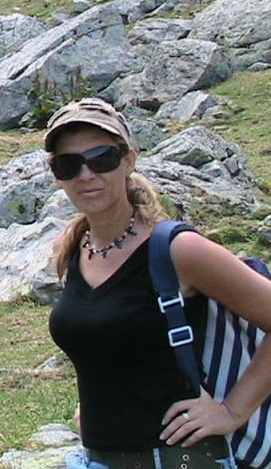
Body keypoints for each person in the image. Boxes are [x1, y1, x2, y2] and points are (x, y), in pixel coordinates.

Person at [45, 97, 271, 469]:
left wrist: (232, 412)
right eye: (69, 164)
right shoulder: (75, 248)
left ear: (129, 160)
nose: (86, 174)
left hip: (180, 459)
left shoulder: (178, 249)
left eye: (102, 158)